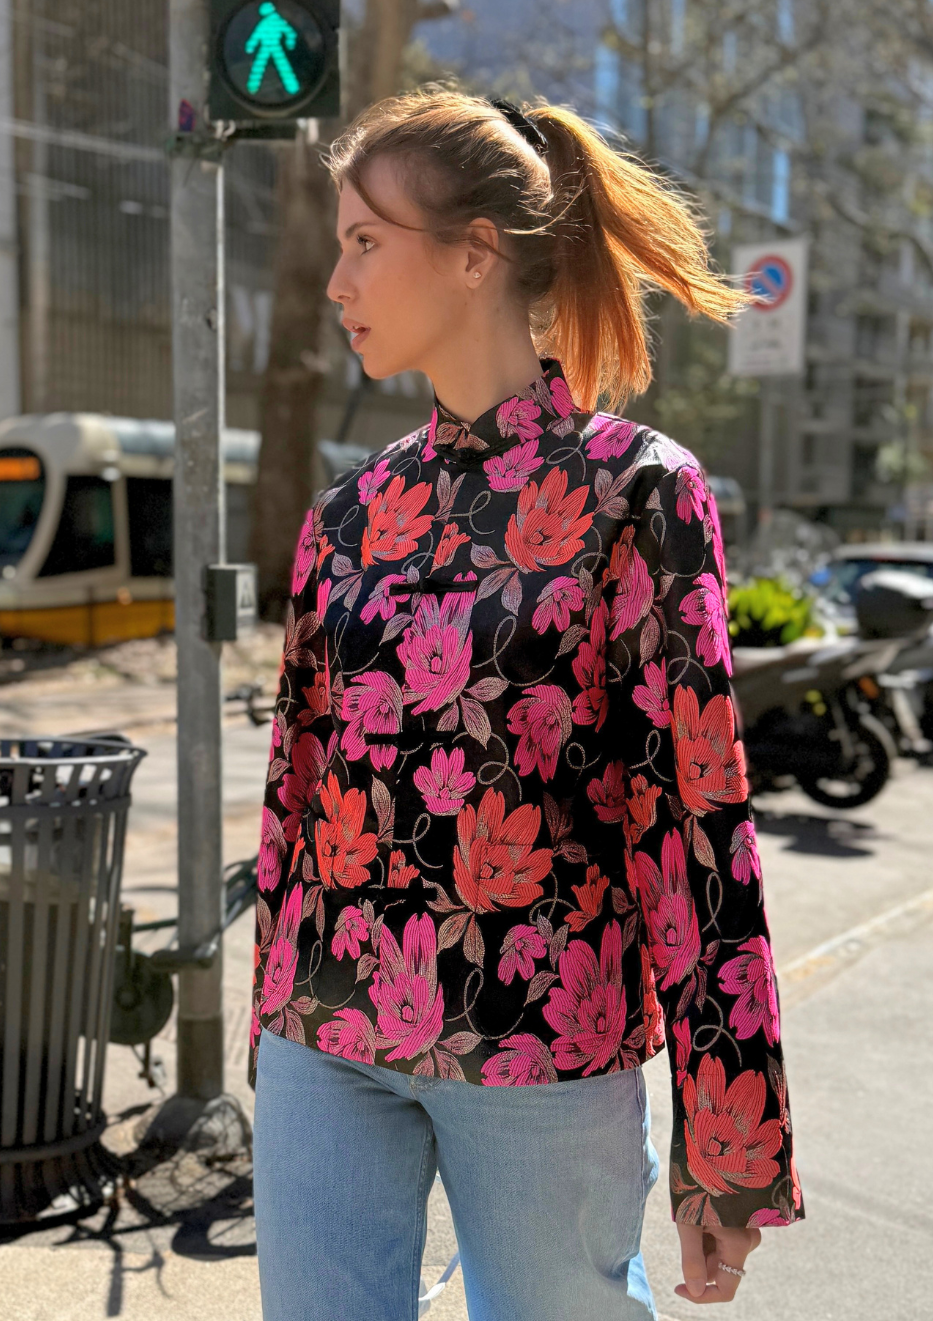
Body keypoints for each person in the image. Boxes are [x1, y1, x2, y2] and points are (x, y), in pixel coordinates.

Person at [249, 85, 803, 1321]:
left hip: (544, 1042)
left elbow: (695, 823)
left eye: (365, 242)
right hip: (322, 1040)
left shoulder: (636, 492)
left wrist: (730, 1145)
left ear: (474, 253)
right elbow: (297, 792)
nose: (337, 281)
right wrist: (266, 1027)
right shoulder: (349, 514)